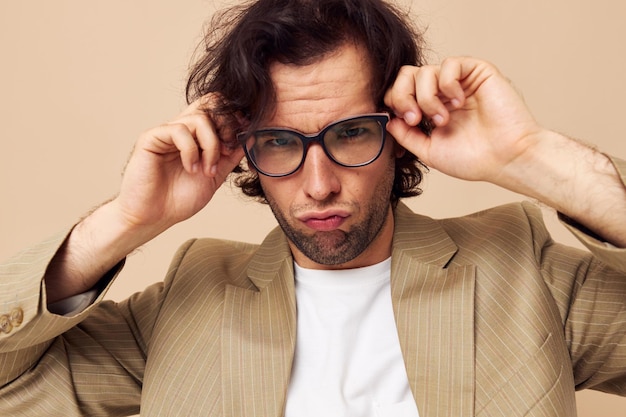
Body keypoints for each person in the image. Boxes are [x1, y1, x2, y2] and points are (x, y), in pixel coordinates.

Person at [1, 0, 625, 415]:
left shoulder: (524, 274)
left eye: (349, 133)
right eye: (279, 143)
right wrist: (127, 221)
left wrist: (532, 156)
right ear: (243, 149)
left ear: (398, 131)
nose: (318, 184)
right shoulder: (189, 302)